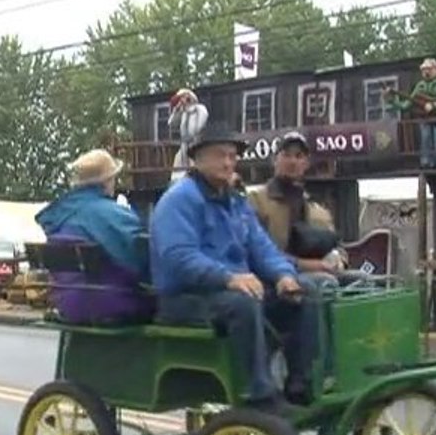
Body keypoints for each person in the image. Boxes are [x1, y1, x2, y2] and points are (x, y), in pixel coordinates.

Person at [149, 122, 315, 415]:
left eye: (232, 156)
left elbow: (262, 248)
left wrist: (284, 275)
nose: (227, 162)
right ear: (197, 159)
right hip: (184, 298)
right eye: (219, 155)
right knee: (243, 303)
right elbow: (179, 257)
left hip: (228, 290)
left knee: (306, 291)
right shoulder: (179, 200)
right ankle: (259, 394)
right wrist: (228, 278)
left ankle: (299, 384)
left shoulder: (235, 202)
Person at [35, 148, 152, 324]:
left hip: (68, 306)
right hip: (110, 304)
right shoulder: (112, 214)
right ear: (106, 181)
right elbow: (141, 257)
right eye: (113, 178)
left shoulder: (58, 215)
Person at [247, 131, 347, 279]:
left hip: (321, 272)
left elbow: (338, 246)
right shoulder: (256, 201)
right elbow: (254, 251)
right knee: (326, 281)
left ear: (306, 163)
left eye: (299, 156)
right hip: (274, 276)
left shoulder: (317, 209)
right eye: (286, 155)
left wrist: (339, 261)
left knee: (365, 281)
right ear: (275, 160)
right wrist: (305, 265)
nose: (292, 161)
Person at [387, 57, 436, 168]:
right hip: (425, 119)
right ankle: (427, 163)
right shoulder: (420, 86)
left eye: (429, 69)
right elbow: (407, 104)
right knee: (426, 142)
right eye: (424, 70)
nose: (426, 72)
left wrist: (435, 104)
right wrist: (393, 101)